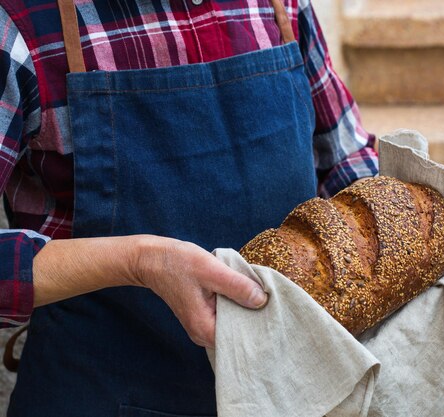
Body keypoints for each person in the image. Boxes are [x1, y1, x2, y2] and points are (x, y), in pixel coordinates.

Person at [0, 0, 378, 415]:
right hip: (101, 392)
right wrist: (136, 261)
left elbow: (346, 159)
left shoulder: (281, 5)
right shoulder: (20, 23)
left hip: (294, 395)